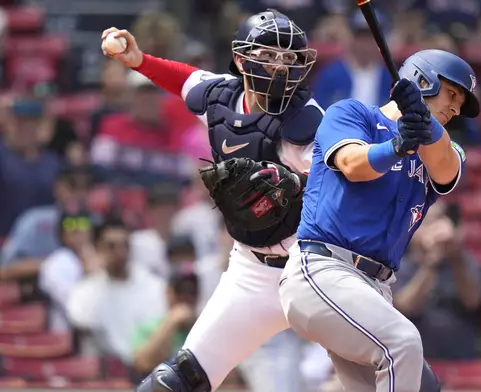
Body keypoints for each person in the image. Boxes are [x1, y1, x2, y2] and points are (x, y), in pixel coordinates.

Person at [101, 8, 324, 392]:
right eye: (269, 55)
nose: (281, 67)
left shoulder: (307, 119)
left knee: (391, 361)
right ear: (241, 59)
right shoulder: (220, 96)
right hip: (252, 272)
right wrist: (137, 61)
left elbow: (351, 175)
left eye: (289, 58)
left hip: (313, 268)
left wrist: (303, 183)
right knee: (175, 381)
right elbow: (183, 79)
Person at [279, 49, 479, 391]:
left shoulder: (445, 147)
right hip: (325, 270)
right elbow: (353, 166)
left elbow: (446, 169)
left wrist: (424, 124)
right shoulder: (352, 113)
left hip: (376, 288)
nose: (456, 108)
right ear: (422, 81)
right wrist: (397, 146)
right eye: (452, 94)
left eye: (460, 104)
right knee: (402, 342)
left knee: (422, 386)